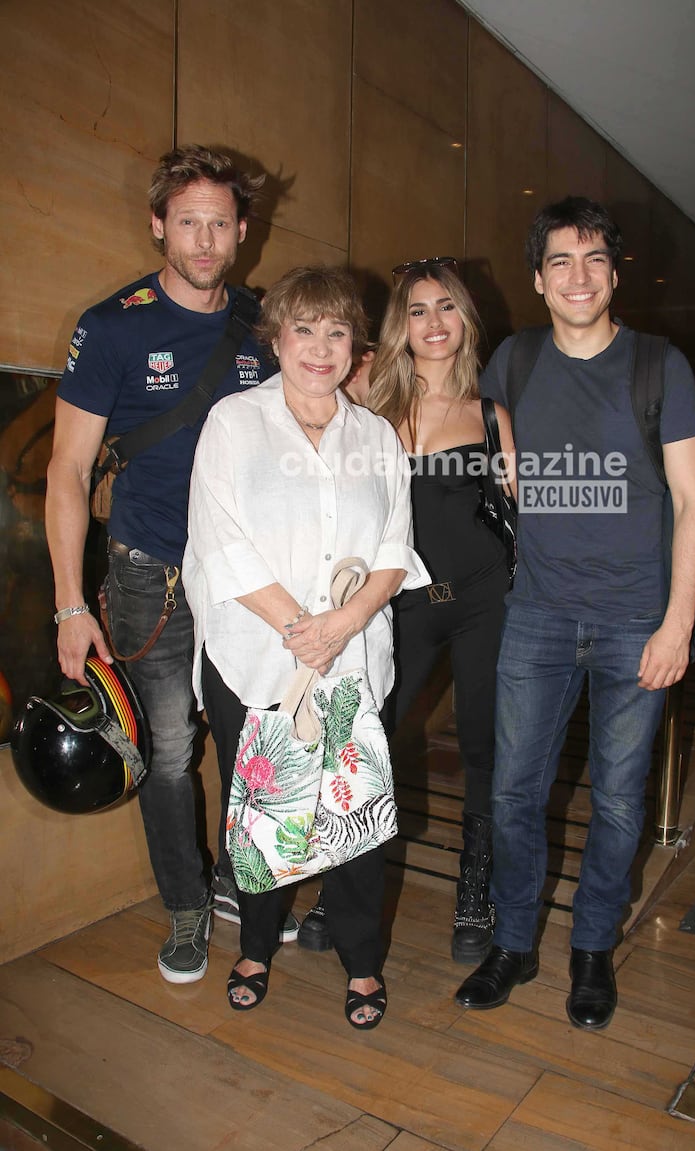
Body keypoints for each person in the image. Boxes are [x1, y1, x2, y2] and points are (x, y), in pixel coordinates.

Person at [455, 196, 695, 1028]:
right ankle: (515, 940)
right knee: (512, 795)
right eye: (559, 261)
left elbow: (693, 499)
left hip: (636, 618)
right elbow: (456, 425)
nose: (577, 275)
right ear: (537, 279)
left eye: (594, 258)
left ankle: (592, 947)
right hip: (536, 614)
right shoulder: (514, 361)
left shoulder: (658, 365)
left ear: (612, 273)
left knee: (620, 800)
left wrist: (676, 623)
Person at [44, 144, 291, 986]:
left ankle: (238, 879)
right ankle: (186, 904)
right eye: (187, 220)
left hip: (246, 578)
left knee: (254, 736)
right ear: (158, 225)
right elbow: (67, 471)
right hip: (152, 573)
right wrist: (70, 603)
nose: (203, 237)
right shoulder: (111, 325)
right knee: (174, 748)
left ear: (242, 232)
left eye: (219, 222)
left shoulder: (261, 323)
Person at [183, 265, 430, 1026]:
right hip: (254, 657)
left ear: (355, 344)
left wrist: (342, 624)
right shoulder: (234, 422)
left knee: (353, 814)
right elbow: (217, 540)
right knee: (260, 807)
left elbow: (394, 547)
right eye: (304, 329)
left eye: (335, 331)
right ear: (277, 336)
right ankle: (255, 944)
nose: (319, 347)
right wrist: (301, 628)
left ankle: (361, 961)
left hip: (352, 656)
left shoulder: (376, 434)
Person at [364, 258, 512, 964]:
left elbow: (525, 514)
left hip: (486, 602)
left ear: (465, 321)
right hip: (400, 606)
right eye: (418, 309)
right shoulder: (370, 409)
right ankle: (349, 884)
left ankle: (474, 890)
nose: (433, 323)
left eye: (446, 307)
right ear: (402, 325)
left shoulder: (491, 415)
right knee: (374, 737)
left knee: (484, 743)